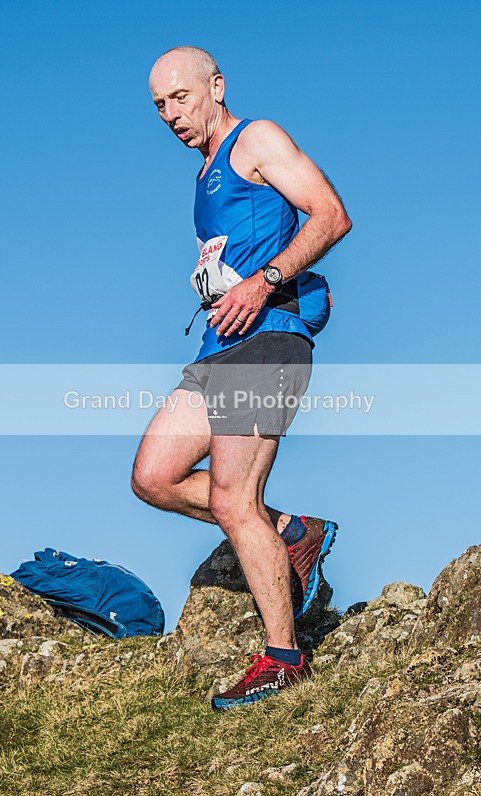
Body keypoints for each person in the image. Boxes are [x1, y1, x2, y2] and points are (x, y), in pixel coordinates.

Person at [132, 46, 352, 710]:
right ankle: (291, 530)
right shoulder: (203, 176)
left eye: (180, 97)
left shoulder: (254, 139)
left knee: (232, 499)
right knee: (154, 475)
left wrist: (271, 280)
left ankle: (284, 659)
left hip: (266, 342)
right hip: (218, 347)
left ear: (216, 86)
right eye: (159, 105)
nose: (171, 114)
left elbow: (330, 215)